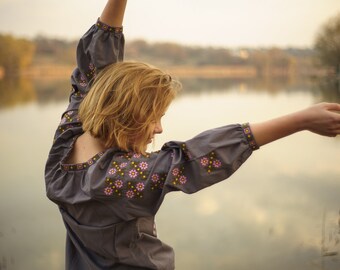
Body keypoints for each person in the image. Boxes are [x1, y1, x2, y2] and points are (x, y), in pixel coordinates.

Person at [44, 0, 340, 269]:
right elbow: (195, 159)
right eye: (154, 118)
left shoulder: (67, 140)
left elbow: (94, 69)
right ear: (128, 115)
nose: (159, 129)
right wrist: (301, 120)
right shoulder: (114, 178)